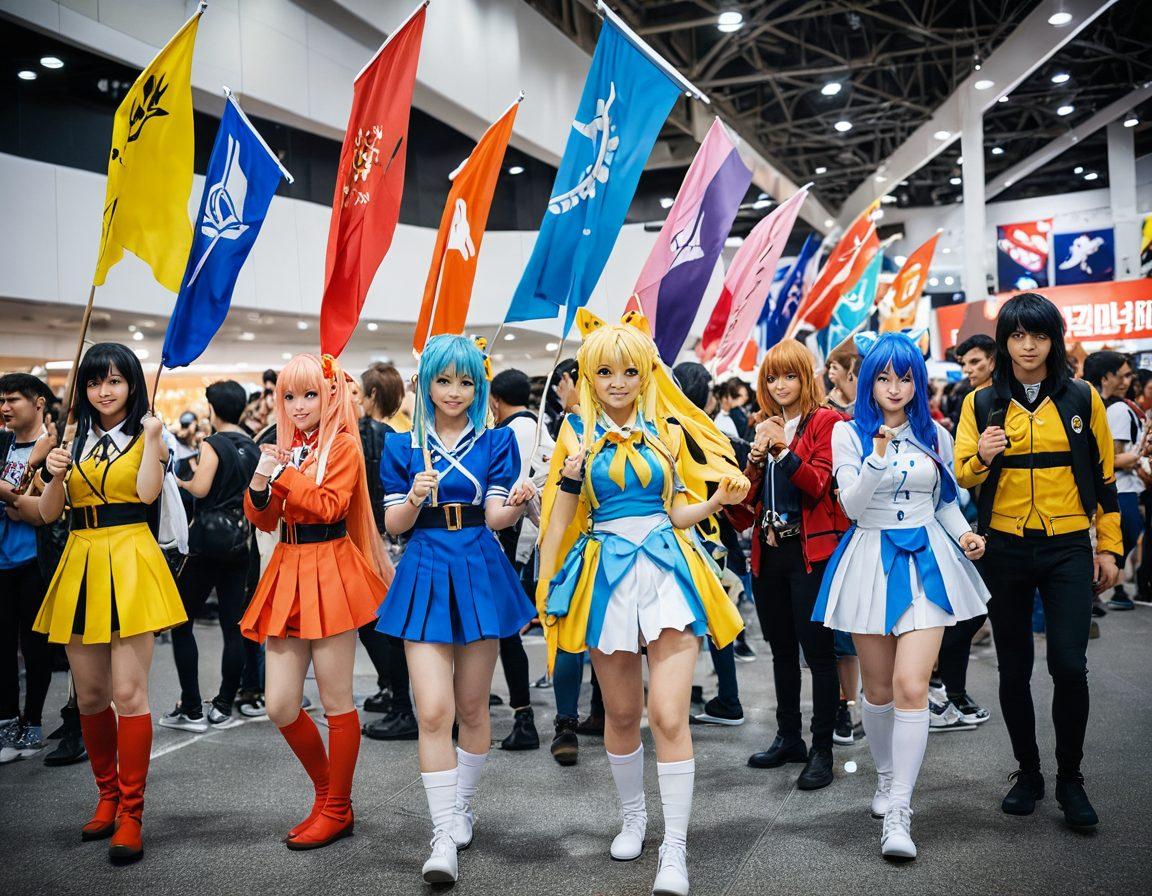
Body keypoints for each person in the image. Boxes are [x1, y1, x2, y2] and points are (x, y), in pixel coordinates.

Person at [537, 309, 748, 896]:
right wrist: (546, 584)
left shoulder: (668, 431)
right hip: (604, 574)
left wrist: (715, 503)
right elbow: (560, 517)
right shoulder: (574, 435)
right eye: (606, 372)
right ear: (588, 375)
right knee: (623, 714)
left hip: (665, 570)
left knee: (670, 715)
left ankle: (674, 848)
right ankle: (633, 818)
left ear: (646, 373)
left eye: (630, 371)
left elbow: (675, 510)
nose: (618, 383)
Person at [814, 330, 990, 860]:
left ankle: (899, 810)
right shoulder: (848, 433)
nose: (895, 388)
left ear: (918, 381)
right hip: (870, 557)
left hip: (927, 560)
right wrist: (877, 454)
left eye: (906, 377)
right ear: (870, 381)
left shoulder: (935, 434)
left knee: (912, 685)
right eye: (885, 377)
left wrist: (965, 535)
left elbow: (945, 502)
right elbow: (850, 506)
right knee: (878, 691)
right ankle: (886, 777)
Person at [955, 292, 1120, 831]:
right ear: (1004, 341)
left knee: (1069, 665)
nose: (1029, 346)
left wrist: (1109, 547)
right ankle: (1028, 773)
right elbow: (961, 473)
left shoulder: (1082, 398)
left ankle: (1071, 777)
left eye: (1040, 335)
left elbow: (1105, 478)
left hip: (1068, 546)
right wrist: (982, 456)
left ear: (1055, 340)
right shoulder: (980, 402)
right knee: (1014, 667)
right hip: (1004, 548)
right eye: (1018, 335)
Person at [375, 335, 536, 885]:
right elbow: (393, 525)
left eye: (466, 382)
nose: (454, 391)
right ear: (425, 384)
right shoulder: (401, 445)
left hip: (477, 564)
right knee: (432, 711)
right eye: (443, 380)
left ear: (479, 387)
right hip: (423, 564)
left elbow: (493, 516)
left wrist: (517, 504)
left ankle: (462, 805)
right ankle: (442, 833)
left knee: (472, 708)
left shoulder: (495, 442)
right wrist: (414, 498)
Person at [30, 343, 188, 862]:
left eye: (115, 381)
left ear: (132, 386)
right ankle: (107, 797)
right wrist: (54, 472)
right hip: (81, 561)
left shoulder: (146, 435)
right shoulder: (71, 441)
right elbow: (48, 513)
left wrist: (154, 439)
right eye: (96, 381)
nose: (104, 390)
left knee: (129, 693)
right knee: (91, 697)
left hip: (131, 558)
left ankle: (132, 813)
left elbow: (146, 495)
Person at [241, 353, 392, 850]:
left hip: (330, 567)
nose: (299, 405)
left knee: (335, 700)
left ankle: (337, 808)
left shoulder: (342, 445)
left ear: (330, 396)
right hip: (288, 567)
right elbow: (265, 520)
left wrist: (282, 474)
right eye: (290, 396)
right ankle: (329, 795)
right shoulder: (289, 448)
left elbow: (330, 506)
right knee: (280, 704)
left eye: (310, 394)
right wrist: (261, 481)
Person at [727, 340, 848, 790]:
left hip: (809, 554)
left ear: (806, 377)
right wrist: (751, 465)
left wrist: (780, 449)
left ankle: (822, 749)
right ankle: (788, 737)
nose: (780, 385)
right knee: (780, 649)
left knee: (818, 653)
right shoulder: (765, 424)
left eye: (790, 376)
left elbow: (818, 484)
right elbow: (743, 510)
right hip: (769, 551)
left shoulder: (827, 422)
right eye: (772, 377)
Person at [159, 381, 261, 733]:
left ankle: (191, 706)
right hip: (240, 543)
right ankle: (222, 704)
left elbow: (200, 489)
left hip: (207, 544)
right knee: (234, 627)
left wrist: (179, 482)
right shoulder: (253, 445)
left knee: (181, 621)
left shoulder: (213, 443)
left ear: (213, 409)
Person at [932, 333, 998, 729]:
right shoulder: (970, 401)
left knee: (978, 610)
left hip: (1001, 521)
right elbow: (961, 472)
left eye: (975, 362)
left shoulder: (1001, 399)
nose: (969, 370)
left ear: (993, 359)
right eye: (964, 364)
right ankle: (948, 687)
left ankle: (948, 686)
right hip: (973, 521)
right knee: (970, 612)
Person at [489, 367, 551, 752]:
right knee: (505, 627)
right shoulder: (540, 427)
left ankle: (523, 716)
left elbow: (508, 492)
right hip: (531, 536)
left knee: (504, 628)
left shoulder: (509, 432)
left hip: (508, 539)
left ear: (494, 399)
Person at [357, 362, 418, 741]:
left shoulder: (367, 434)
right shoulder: (402, 434)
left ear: (373, 395)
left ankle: (400, 704)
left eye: (358, 393)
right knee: (385, 624)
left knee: (380, 625)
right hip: (397, 538)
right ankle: (396, 695)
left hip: (373, 539)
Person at [0, 373, 56, 763]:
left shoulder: (51, 449)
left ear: (38, 403)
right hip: (2, 562)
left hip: (36, 560)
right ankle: (7, 721)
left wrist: (14, 497)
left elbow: (37, 510)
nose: (5, 407)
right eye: (1, 400)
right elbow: (18, 504)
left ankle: (32, 723)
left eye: (13, 399)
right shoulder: (3, 444)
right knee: (3, 647)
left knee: (35, 647)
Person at [1082, 351, 1142, 611]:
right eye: (1122, 375)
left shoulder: (1114, 405)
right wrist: (1130, 458)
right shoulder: (1093, 405)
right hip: (1094, 493)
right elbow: (1108, 458)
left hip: (1108, 491)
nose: (1126, 381)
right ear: (1106, 377)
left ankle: (1094, 593)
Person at [825, 343, 859, 416]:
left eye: (835, 368)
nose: (830, 371)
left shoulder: (861, 391)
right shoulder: (830, 400)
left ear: (849, 372)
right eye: (830, 367)